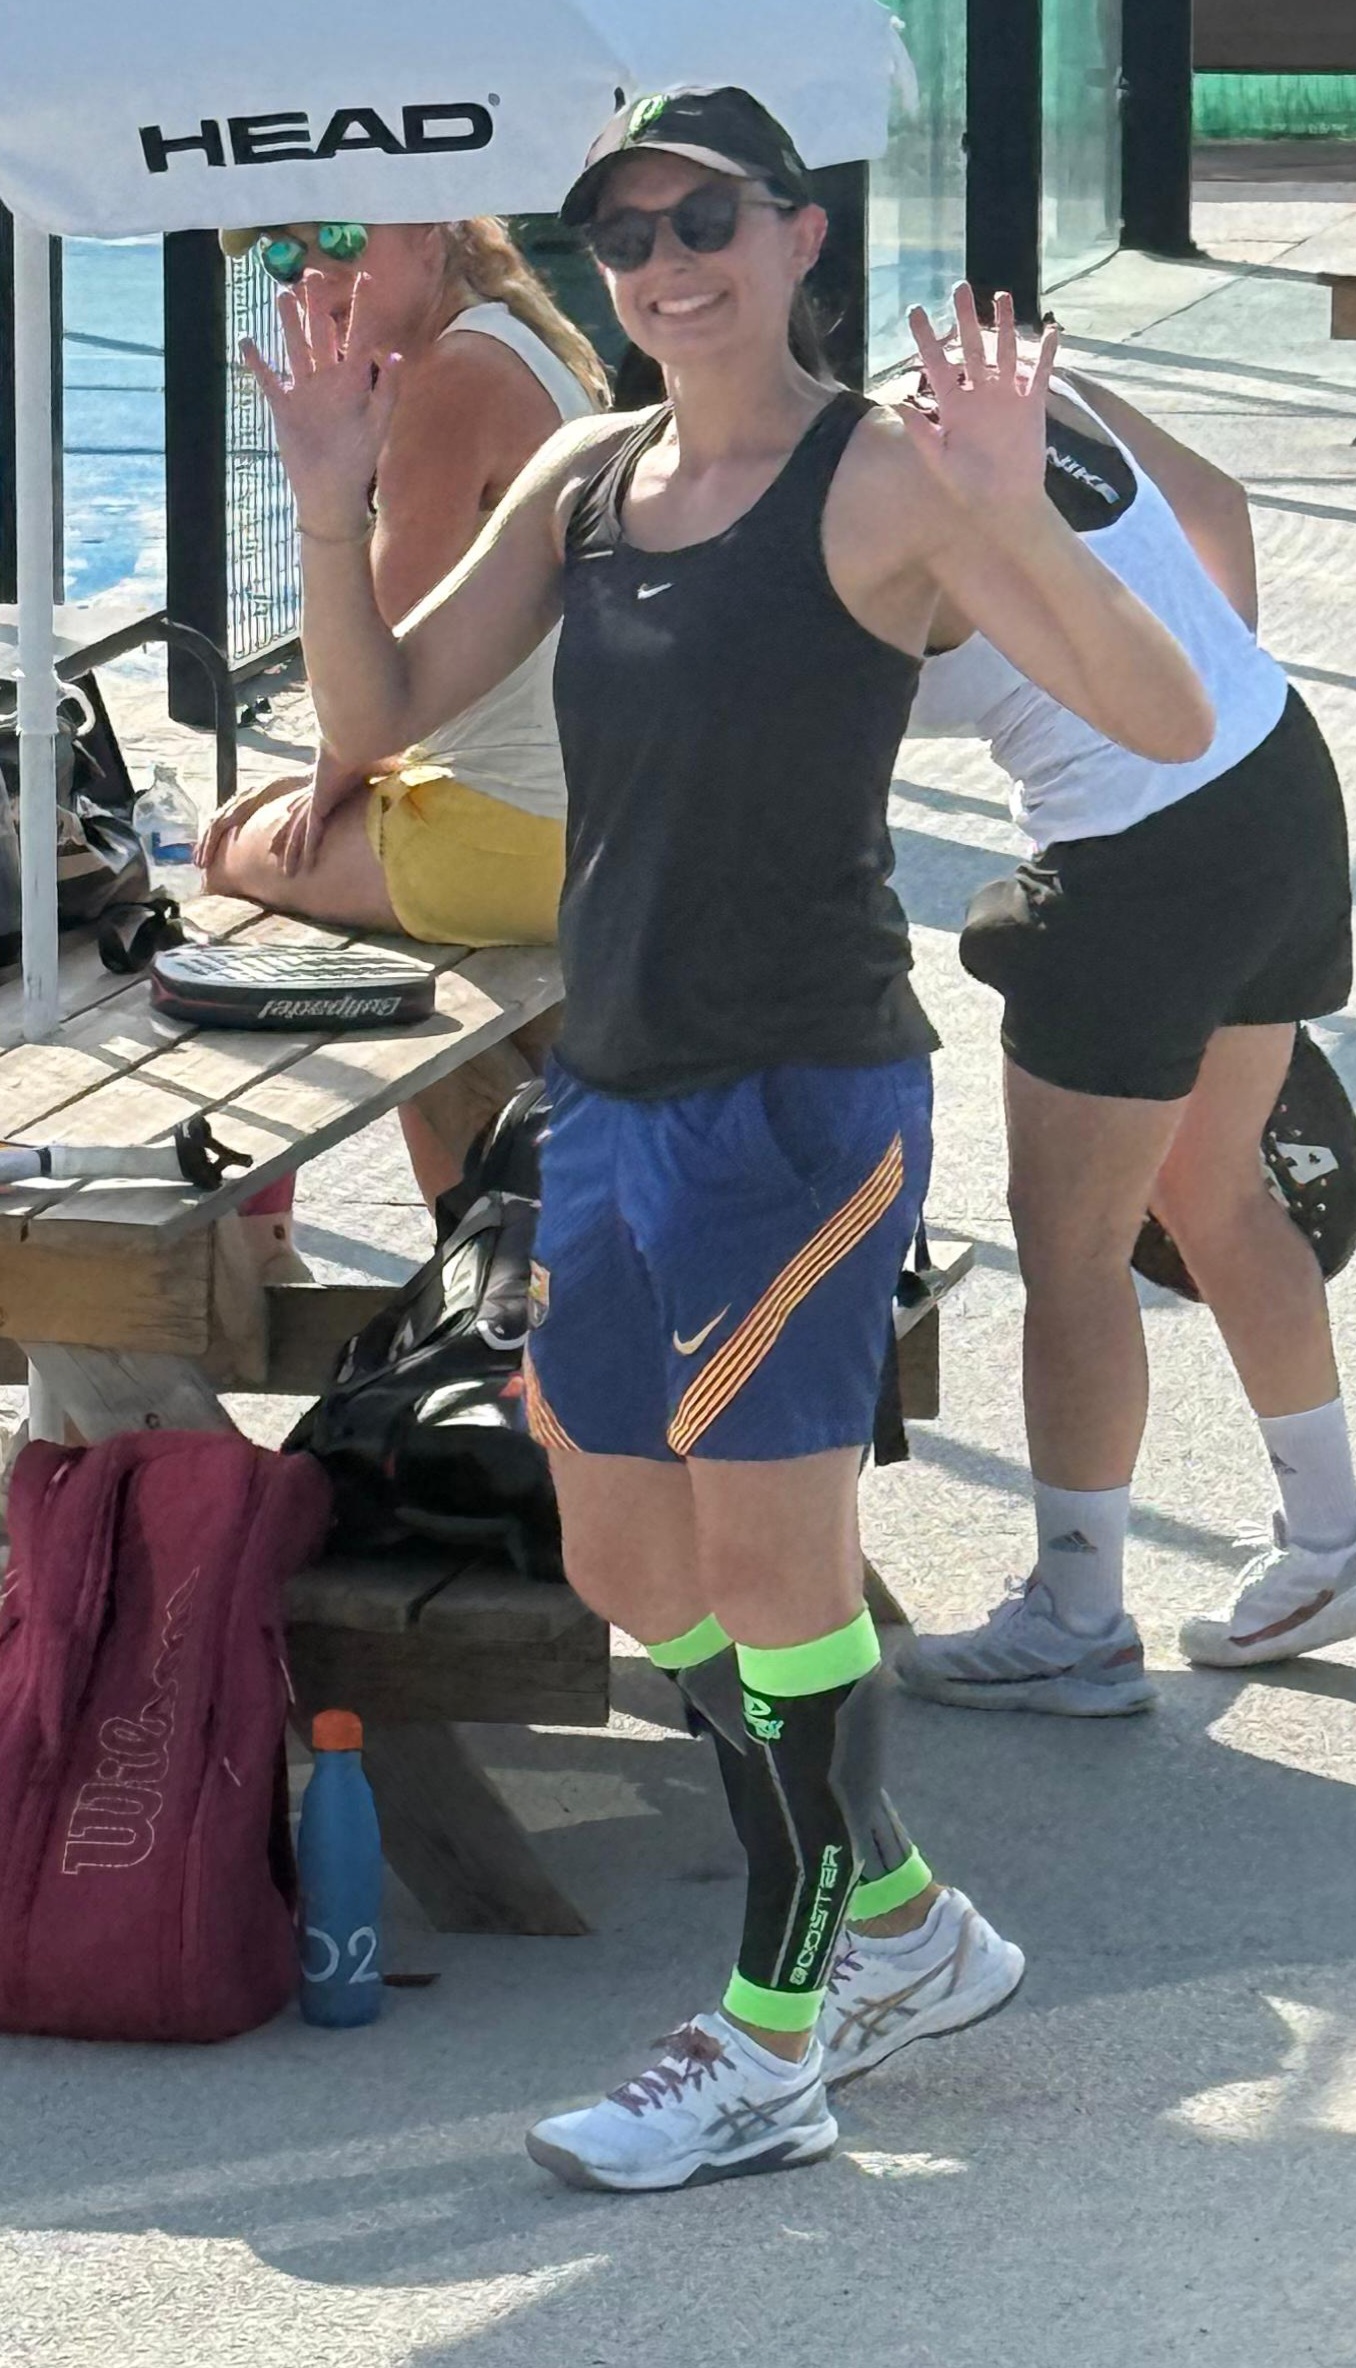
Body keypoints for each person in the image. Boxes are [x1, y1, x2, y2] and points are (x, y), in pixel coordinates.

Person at [243, 84, 1213, 2193]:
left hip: (802, 1099)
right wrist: (326, 501)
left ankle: (774, 2034)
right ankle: (905, 1918)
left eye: (706, 221)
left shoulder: (888, 477)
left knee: (778, 1581)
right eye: (625, 233)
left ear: (798, 238)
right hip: (610, 1091)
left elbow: (1168, 713)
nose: (666, 264)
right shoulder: (587, 477)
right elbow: (376, 721)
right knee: (620, 1555)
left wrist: (1016, 515)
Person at [893, 362, 1354, 1712]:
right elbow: (1214, 502)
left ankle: (1078, 1618)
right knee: (1213, 1189)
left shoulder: (854, 495)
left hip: (1135, 859)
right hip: (1274, 777)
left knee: (1073, 1250)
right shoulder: (1017, 381)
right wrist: (1199, 710)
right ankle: (1333, 1539)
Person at [198, 217, 606, 1218]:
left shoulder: (451, 382)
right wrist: (339, 775)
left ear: (430, 231)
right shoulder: (519, 338)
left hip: (514, 834)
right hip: (592, 823)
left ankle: (279, 1242)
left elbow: (375, 677)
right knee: (365, 910)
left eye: (341, 237)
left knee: (229, 866)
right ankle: (514, 1208)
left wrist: (326, 784)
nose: (314, 275)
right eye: (284, 254)